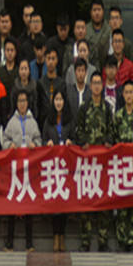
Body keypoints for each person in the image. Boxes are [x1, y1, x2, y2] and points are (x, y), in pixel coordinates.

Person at [76, 73, 115, 252]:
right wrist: (83, 141)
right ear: (90, 86)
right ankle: (85, 241)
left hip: (103, 163)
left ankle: (103, 241)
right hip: (87, 163)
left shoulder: (107, 108)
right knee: (86, 201)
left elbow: (112, 130)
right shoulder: (84, 107)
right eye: (94, 83)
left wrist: (108, 141)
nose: (97, 86)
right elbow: (78, 129)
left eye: (100, 83)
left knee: (104, 202)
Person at [2, 88, 42, 252]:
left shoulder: (33, 122)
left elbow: (39, 140)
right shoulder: (12, 122)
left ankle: (29, 243)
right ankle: (9, 242)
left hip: (29, 169)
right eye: (20, 101)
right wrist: (9, 145)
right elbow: (4, 140)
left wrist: (35, 145)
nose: (22, 104)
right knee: (13, 204)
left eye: (24, 101)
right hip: (16, 170)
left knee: (28, 205)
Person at [112, 81, 133, 252]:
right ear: (123, 95)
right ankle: (121, 238)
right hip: (121, 165)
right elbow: (113, 138)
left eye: (131, 92)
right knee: (122, 201)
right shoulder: (117, 116)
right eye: (126, 92)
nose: (129, 95)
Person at [42, 90, 75, 252]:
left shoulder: (69, 121)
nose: (59, 102)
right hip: (52, 167)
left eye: (61, 99)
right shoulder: (48, 121)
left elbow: (75, 138)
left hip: (66, 167)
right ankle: (55, 236)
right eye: (56, 99)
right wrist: (47, 143)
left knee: (65, 202)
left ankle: (62, 236)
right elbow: (42, 140)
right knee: (55, 202)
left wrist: (70, 142)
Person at [37, 47, 64, 123]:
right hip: (43, 121)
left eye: (53, 58)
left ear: (57, 60)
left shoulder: (62, 83)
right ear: (45, 60)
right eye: (48, 59)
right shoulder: (40, 83)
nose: (51, 62)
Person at [86, 0, 110, 70]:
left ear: (103, 12)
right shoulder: (85, 30)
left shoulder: (109, 30)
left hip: (106, 69)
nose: (97, 13)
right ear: (90, 13)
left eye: (99, 10)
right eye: (94, 10)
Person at [47, 12, 73, 77]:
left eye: (65, 29)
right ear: (57, 28)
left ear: (68, 28)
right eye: (61, 29)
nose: (63, 33)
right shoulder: (50, 43)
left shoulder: (72, 44)